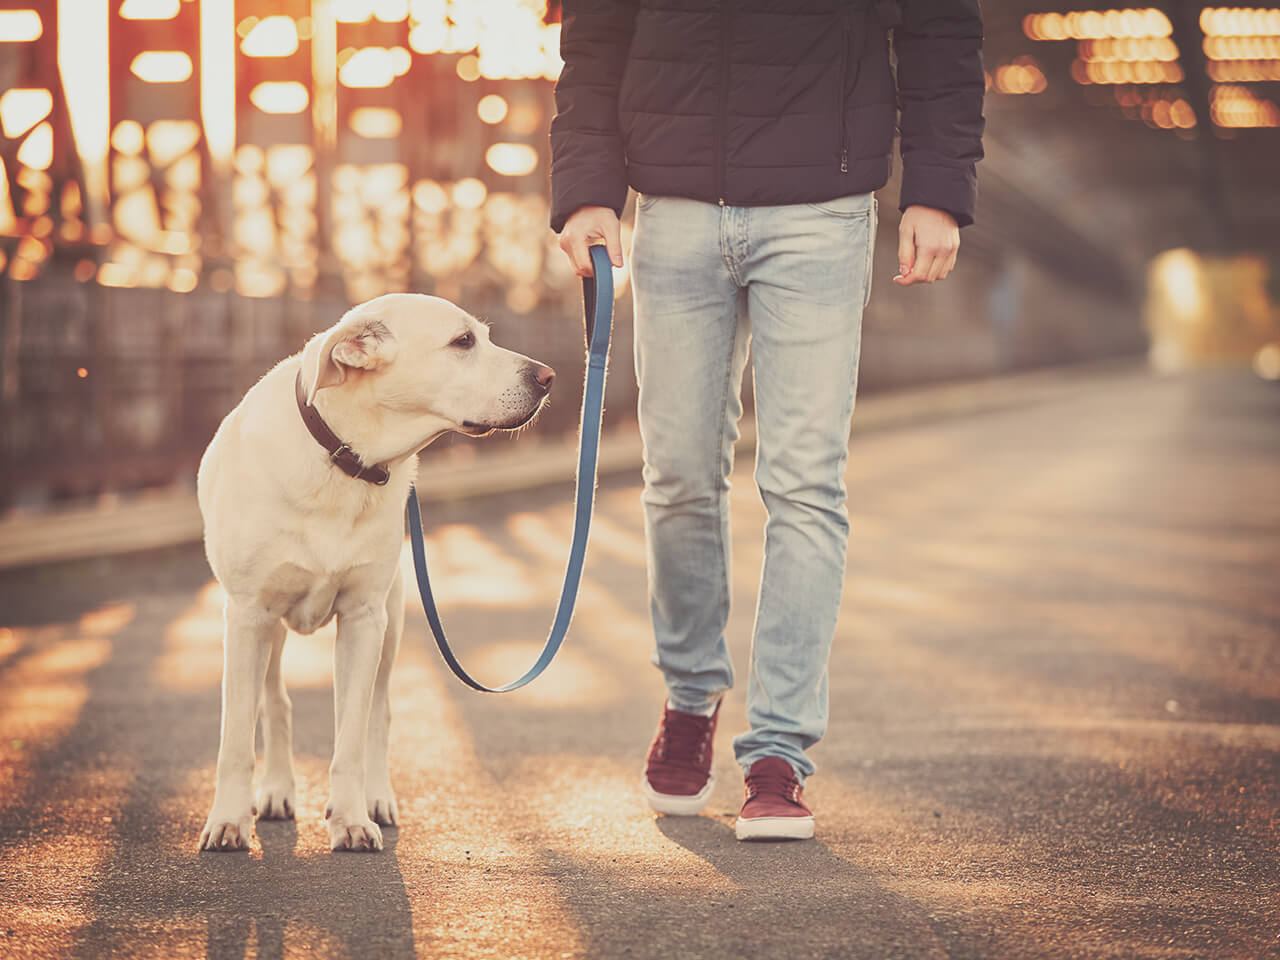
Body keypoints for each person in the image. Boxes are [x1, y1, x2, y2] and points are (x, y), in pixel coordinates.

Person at [549, 0, 984, 841]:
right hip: (672, 205)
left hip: (823, 210)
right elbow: (595, 36)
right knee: (675, 476)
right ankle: (688, 698)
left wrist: (937, 187)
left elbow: (940, 27)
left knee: (805, 484)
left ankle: (779, 752)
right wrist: (587, 193)